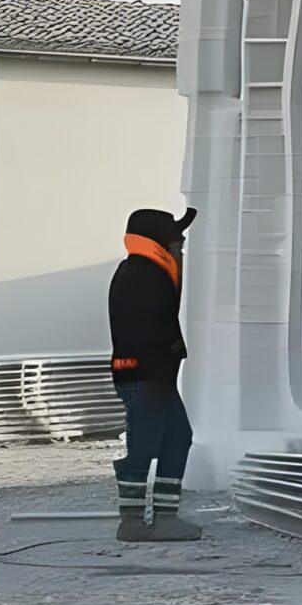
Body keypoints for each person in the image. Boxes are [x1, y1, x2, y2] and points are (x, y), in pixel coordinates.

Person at [108, 206, 201, 542]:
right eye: (177, 237)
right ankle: (132, 523)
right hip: (146, 376)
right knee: (145, 444)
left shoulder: (148, 271)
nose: (182, 242)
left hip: (155, 377)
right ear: (158, 240)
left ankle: (164, 519)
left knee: (177, 438)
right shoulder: (141, 275)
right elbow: (145, 331)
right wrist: (156, 372)